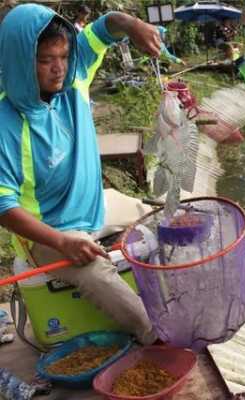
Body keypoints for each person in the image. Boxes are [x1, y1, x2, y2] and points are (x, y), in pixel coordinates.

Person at [0, 3, 162, 345]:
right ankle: (155, 335)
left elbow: (107, 25)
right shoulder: (6, 124)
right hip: (48, 234)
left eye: (63, 55)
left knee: (171, 219)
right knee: (98, 274)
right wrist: (61, 241)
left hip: (96, 208)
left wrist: (134, 25)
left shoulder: (76, 75)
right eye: (45, 60)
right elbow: (4, 208)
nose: (58, 68)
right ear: (18, 62)